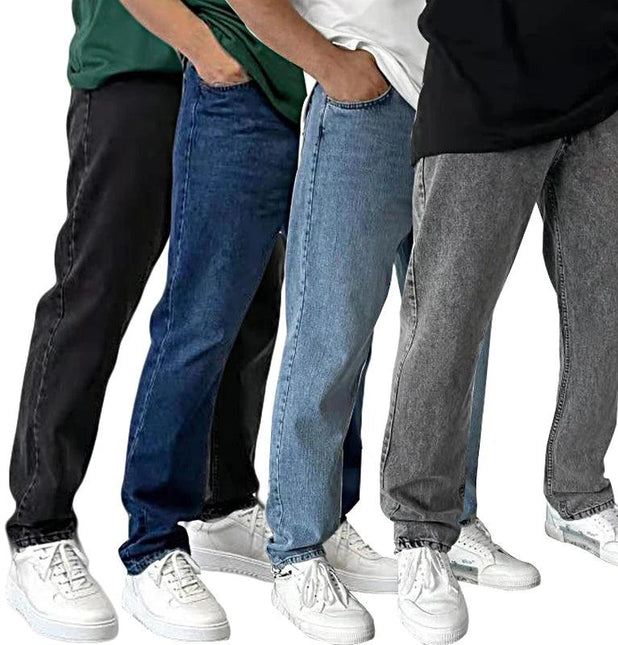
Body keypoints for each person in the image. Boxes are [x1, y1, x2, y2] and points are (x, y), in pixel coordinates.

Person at [225, 0, 538, 642]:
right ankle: (298, 551)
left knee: (457, 337)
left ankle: (444, 526)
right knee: (329, 334)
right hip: (368, 105)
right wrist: (331, 66)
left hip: (463, 105)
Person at [115, 0, 401, 639]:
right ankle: (153, 542)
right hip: (244, 97)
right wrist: (209, 53)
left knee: (334, 318)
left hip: (336, 94)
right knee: (201, 322)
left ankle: (314, 519)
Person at [7, 0, 286, 640]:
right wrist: (207, 52)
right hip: (140, 66)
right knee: (96, 295)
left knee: (243, 302)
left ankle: (222, 502)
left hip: (251, 74)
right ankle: (40, 526)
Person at [381, 0, 618, 643]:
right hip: (484, 83)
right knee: (447, 321)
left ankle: (579, 495)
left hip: (603, 82)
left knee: (603, 311)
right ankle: (421, 533)